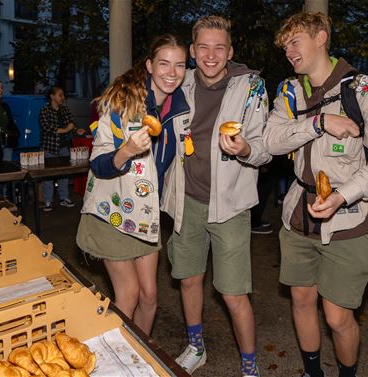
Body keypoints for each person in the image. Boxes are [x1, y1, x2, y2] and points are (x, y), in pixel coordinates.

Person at [264, 12, 368, 377]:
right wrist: (319, 122)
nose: (289, 52)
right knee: (300, 298)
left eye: (295, 42)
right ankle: (313, 373)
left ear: (321, 37)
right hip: (298, 216)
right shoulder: (289, 91)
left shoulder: (362, 90)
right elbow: (270, 141)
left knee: (337, 315)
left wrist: (344, 195)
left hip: (349, 219)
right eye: (285, 47)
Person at [161, 16, 270, 377]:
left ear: (230, 51)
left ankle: (250, 366)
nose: (211, 55)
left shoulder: (251, 87)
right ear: (192, 51)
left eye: (219, 47)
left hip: (231, 204)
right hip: (185, 199)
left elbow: (265, 148)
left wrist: (244, 149)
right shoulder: (181, 81)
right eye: (203, 47)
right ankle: (196, 347)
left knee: (233, 293)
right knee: (189, 278)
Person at [76, 34, 189, 336]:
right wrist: (125, 150)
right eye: (164, 63)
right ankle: (112, 358)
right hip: (112, 212)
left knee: (150, 298)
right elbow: (98, 163)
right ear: (150, 65)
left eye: (180, 65)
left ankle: (138, 357)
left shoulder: (180, 108)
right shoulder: (123, 103)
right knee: (129, 296)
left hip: (145, 215)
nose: (171, 72)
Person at [39, 86, 82, 211]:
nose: (62, 98)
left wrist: (75, 129)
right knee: (48, 176)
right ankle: (48, 201)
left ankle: (64, 198)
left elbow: (72, 122)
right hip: (49, 148)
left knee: (64, 174)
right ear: (52, 96)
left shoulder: (65, 109)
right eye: (60, 95)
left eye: (63, 95)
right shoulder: (45, 110)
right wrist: (66, 129)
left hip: (63, 147)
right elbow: (47, 128)